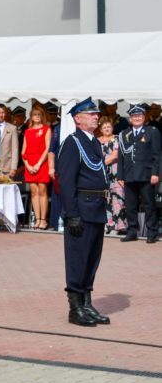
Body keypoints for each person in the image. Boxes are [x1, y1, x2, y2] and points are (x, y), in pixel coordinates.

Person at [56, 97, 109, 327]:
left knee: (91, 259)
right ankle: (75, 308)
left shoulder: (93, 142)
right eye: (91, 114)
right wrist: (72, 214)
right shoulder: (72, 143)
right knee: (78, 259)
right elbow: (66, 182)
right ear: (78, 119)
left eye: (96, 113)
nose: (96, 117)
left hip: (96, 208)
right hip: (82, 209)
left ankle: (87, 303)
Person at [117, 103, 161, 243]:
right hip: (129, 174)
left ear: (144, 117)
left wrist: (156, 173)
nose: (137, 118)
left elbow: (157, 155)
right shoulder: (124, 134)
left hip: (146, 175)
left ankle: (152, 232)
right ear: (130, 118)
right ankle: (132, 231)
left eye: (139, 116)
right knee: (130, 206)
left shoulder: (152, 132)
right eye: (134, 116)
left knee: (149, 205)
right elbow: (121, 156)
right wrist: (120, 175)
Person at [21, 104, 52, 229]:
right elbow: (23, 151)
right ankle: (37, 219)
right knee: (34, 191)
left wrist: (39, 164)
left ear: (42, 116)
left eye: (39, 115)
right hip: (30, 163)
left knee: (42, 190)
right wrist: (27, 165)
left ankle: (43, 220)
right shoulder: (27, 131)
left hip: (42, 163)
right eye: (35, 115)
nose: (37, 116)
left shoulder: (46, 129)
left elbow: (47, 148)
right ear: (31, 117)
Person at [97, 116, 126, 235]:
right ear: (100, 129)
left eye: (109, 126)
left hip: (115, 172)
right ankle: (107, 225)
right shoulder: (96, 140)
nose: (107, 129)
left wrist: (99, 165)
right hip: (101, 174)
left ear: (112, 127)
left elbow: (115, 156)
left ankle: (118, 226)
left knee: (117, 198)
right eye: (104, 127)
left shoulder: (117, 138)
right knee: (104, 198)